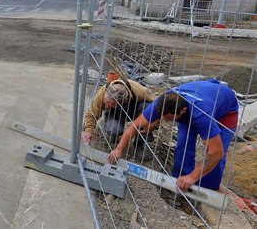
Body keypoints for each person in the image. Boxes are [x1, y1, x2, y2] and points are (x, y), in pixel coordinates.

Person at [108, 79, 238, 192]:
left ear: (182, 111)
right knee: (183, 144)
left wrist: (193, 177)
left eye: (169, 117)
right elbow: (133, 127)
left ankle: (207, 189)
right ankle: (181, 182)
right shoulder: (162, 103)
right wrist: (119, 149)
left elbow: (216, 152)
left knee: (218, 156)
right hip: (204, 95)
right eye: (162, 116)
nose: (164, 119)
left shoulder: (201, 115)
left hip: (226, 110)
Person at [81, 78, 157, 144]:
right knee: (114, 130)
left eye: (111, 104)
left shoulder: (138, 90)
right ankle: (113, 133)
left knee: (147, 107)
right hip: (115, 112)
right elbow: (92, 112)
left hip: (135, 110)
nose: (108, 105)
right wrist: (89, 130)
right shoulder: (102, 93)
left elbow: (160, 105)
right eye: (106, 102)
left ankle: (141, 142)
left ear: (124, 100)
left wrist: (153, 124)